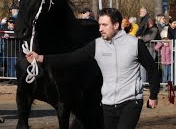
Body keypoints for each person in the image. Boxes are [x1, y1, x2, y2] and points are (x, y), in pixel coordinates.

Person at [25, 8, 160, 129]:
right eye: (100, 24)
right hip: (107, 102)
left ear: (116, 25)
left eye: (104, 25)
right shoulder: (97, 45)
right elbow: (70, 58)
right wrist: (41, 58)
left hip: (131, 101)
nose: (100, 28)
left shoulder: (135, 44)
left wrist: (153, 95)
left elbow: (152, 69)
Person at [2, 17, 20, 84]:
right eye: (10, 22)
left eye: (13, 22)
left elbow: (18, 35)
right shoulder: (5, 29)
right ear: (8, 23)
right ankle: (10, 78)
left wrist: (9, 35)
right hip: (8, 50)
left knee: (14, 65)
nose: (11, 24)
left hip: (15, 50)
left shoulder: (17, 29)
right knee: (9, 65)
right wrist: (4, 34)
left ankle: (15, 78)